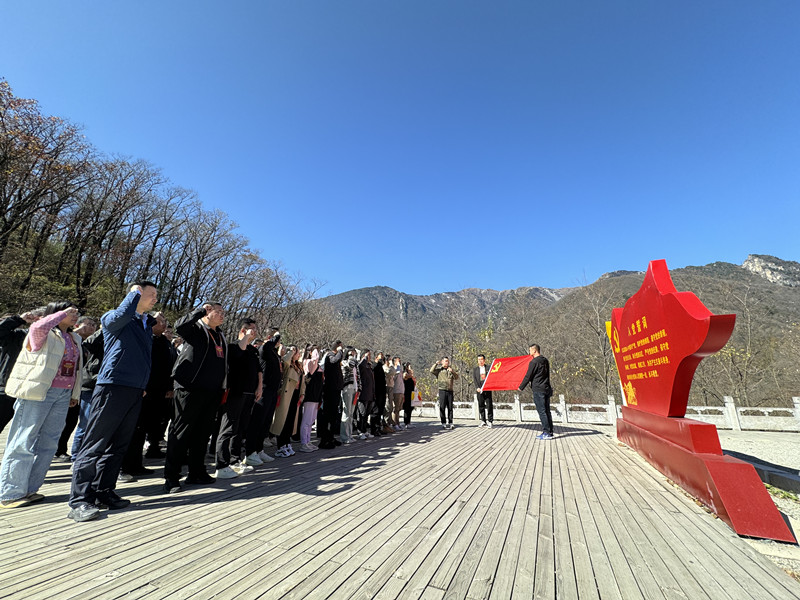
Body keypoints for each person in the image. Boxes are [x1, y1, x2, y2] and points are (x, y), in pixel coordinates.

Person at [69, 283, 158, 522]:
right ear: (135, 294)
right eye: (150, 294)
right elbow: (120, 315)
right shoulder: (114, 318)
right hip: (112, 385)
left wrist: (142, 384)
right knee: (95, 443)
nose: (155, 299)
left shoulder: (145, 324)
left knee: (119, 446)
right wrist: (133, 293)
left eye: (155, 295)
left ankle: (104, 491)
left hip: (135, 389)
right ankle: (79, 500)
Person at [0, 303, 82, 509]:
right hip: (38, 391)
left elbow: (77, 369)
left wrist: (74, 393)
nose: (75, 315)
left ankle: (29, 488)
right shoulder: (41, 332)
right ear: (56, 313)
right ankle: (10, 492)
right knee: (23, 440)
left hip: (63, 394)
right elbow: (38, 326)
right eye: (70, 312)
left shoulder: (74, 337)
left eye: (76, 312)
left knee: (49, 444)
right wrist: (61, 314)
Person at [163, 301, 228, 494]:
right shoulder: (196, 329)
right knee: (181, 432)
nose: (222, 315)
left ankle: (196, 472)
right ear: (208, 311)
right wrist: (199, 311)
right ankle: (171, 477)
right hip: (189, 388)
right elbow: (179, 326)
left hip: (212, 391)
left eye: (223, 312)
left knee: (202, 433)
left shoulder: (220, 335)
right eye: (218, 311)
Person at [119, 312, 172, 478]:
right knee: (134, 428)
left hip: (158, 392)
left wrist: (168, 387)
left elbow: (168, 366)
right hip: (143, 389)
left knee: (145, 429)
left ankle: (137, 463)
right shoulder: (145, 338)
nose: (163, 324)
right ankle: (125, 466)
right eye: (159, 321)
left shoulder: (164, 342)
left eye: (164, 321)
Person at [214, 318, 261, 479]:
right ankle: (221, 464)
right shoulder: (233, 347)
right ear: (242, 330)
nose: (254, 332)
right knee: (228, 428)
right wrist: (246, 337)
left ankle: (235, 460)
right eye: (251, 329)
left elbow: (258, 370)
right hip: (235, 393)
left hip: (249, 393)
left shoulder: (253, 350)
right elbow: (239, 352)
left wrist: (259, 387)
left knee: (240, 428)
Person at [54, 316, 97, 460]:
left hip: (81, 386)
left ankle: (67, 450)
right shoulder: (71, 339)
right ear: (77, 325)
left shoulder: (94, 343)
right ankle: (59, 450)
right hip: (66, 384)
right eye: (89, 324)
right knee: (66, 421)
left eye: (94, 324)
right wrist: (77, 331)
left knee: (75, 421)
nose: (92, 327)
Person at [0, 309, 41, 435]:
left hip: (32, 390)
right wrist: (19, 319)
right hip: (6, 388)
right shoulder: (18, 335)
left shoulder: (56, 339)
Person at [243, 327, 280, 466]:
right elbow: (268, 346)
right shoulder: (264, 349)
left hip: (272, 390)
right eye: (275, 338)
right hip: (263, 389)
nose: (278, 342)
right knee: (257, 422)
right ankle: (250, 452)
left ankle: (259, 450)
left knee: (266, 422)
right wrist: (277, 335)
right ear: (269, 337)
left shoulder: (273, 352)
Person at [272, 345, 303, 457]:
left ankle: (287, 443)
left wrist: (302, 394)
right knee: (283, 420)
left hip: (295, 394)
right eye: (297, 352)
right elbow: (285, 360)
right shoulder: (287, 364)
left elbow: (302, 380)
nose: (298, 354)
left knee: (290, 420)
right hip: (286, 394)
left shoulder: (298, 366)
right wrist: (291, 351)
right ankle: (281, 446)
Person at [518, 344, 554, 440]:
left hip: (538, 389)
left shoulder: (534, 362)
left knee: (542, 411)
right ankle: (550, 431)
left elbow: (528, 376)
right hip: (546, 388)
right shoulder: (545, 360)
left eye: (530, 350)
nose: (529, 352)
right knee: (547, 411)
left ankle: (546, 432)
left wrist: (521, 387)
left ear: (534, 351)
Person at [318, 342, 344, 449]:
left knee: (333, 415)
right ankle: (324, 439)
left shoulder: (335, 357)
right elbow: (335, 360)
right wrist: (340, 351)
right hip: (330, 389)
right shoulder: (330, 356)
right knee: (328, 414)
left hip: (336, 389)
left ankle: (331, 437)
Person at [298, 345, 322, 452]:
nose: (317, 352)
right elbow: (314, 361)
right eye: (315, 350)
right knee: (306, 420)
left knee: (311, 420)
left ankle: (308, 441)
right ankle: (304, 442)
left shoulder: (317, 364)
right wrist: (314, 352)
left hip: (316, 395)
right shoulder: (308, 362)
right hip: (310, 394)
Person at [431, 357, 459, 429]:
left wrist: (452, 371)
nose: (447, 362)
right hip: (442, 390)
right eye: (445, 361)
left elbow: (456, 377)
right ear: (442, 362)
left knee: (450, 407)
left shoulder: (450, 370)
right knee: (442, 407)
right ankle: (443, 422)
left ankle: (451, 422)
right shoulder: (439, 370)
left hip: (450, 390)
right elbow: (431, 370)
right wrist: (436, 364)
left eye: (447, 361)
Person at [339, 347, 360, 444]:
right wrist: (353, 357)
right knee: (347, 412)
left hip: (355, 388)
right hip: (347, 388)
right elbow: (350, 365)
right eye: (351, 351)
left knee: (351, 413)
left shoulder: (355, 364)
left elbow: (358, 376)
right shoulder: (344, 362)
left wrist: (359, 388)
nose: (353, 353)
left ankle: (350, 434)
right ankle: (344, 436)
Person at [356, 349, 374, 439]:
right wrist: (364, 359)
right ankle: (360, 431)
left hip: (370, 393)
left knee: (367, 413)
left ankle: (365, 430)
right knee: (361, 413)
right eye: (368, 355)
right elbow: (360, 366)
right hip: (363, 393)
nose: (369, 357)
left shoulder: (369, 366)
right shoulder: (361, 365)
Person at [473, 355, 494, 428]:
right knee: (481, 405)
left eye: (481, 359)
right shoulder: (475, 369)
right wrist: (477, 387)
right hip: (479, 390)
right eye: (479, 360)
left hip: (487, 389)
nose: (480, 361)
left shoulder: (488, 368)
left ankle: (490, 421)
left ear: (484, 360)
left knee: (489, 405)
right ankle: (483, 420)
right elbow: (475, 380)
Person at [371, 352, 387, 437]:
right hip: (376, 391)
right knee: (376, 410)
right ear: (376, 357)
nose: (382, 357)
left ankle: (378, 427)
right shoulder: (374, 366)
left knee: (381, 409)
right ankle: (374, 429)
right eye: (381, 356)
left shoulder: (381, 366)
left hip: (382, 390)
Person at [389, 356, 405, 431]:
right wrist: (396, 369)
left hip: (401, 391)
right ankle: (394, 424)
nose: (399, 362)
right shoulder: (393, 369)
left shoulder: (400, 370)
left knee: (399, 409)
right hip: (396, 391)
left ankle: (398, 423)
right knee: (395, 409)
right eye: (398, 361)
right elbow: (393, 378)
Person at [402, 363, 416, 429]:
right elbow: (406, 377)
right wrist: (410, 372)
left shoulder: (410, 375)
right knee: (407, 408)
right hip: (406, 393)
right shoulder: (405, 373)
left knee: (410, 408)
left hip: (412, 392)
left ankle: (409, 422)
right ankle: (406, 422)